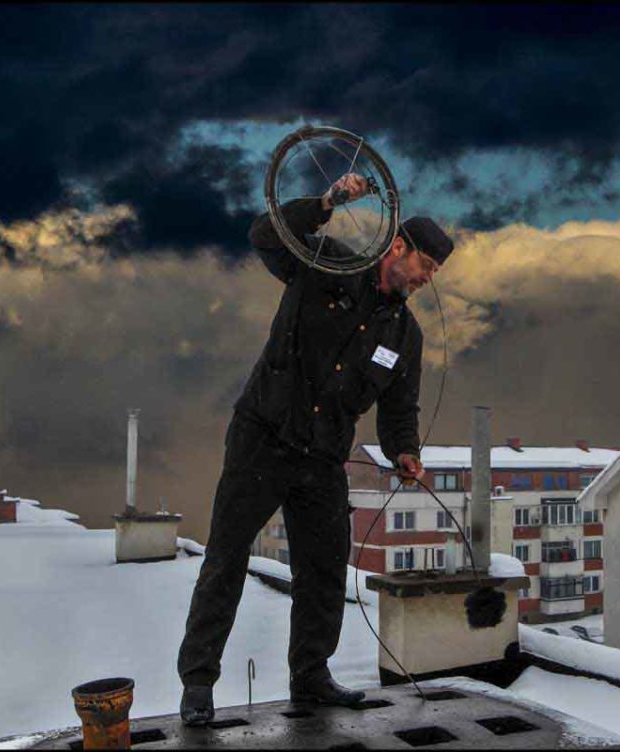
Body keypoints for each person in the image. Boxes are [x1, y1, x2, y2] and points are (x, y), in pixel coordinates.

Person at [177, 173, 454, 724]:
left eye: (435, 274)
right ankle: (198, 684)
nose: (427, 279)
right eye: (426, 266)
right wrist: (327, 203)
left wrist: (404, 451)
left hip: (324, 456)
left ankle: (311, 677)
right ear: (399, 248)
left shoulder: (405, 336)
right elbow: (265, 235)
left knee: (325, 569)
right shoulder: (329, 263)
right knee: (225, 560)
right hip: (262, 436)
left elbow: (400, 408)